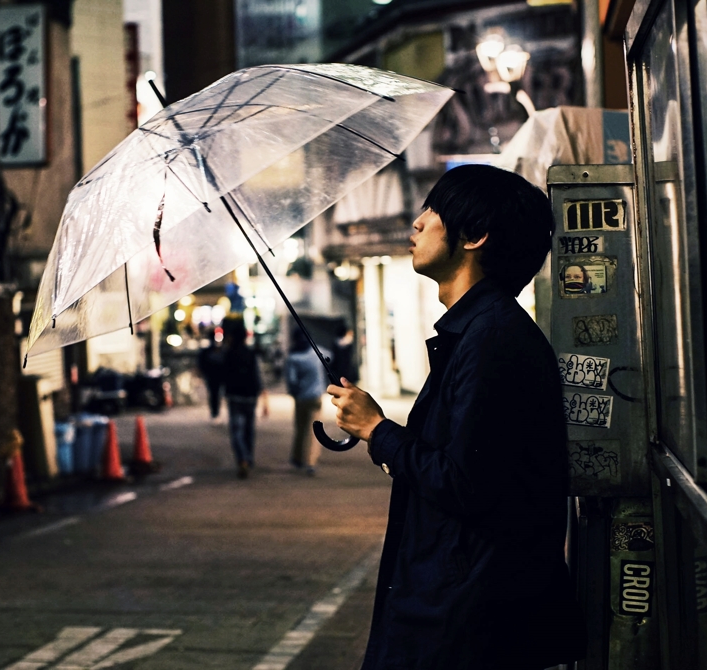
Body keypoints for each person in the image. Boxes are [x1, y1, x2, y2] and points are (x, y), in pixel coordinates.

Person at [327, 164, 586, 669]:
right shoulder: (480, 333)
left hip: (466, 620)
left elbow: (465, 483)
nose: (417, 223)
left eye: (433, 211)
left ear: (475, 235)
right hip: (459, 605)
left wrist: (377, 432)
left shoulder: (493, 340)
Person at [221, 316, 269, 479]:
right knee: (249, 429)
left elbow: (222, 375)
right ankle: (248, 457)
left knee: (236, 430)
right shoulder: (251, 354)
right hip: (250, 396)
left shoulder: (228, 353)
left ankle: (242, 459)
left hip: (234, 396)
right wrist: (264, 397)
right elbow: (258, 376)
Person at [285, 326, 328, 476]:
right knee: (313, 431)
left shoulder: (293, 358)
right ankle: (310, 462)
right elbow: (330, 358)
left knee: (300, 428)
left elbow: (291, 380)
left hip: (301, 398)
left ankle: (297, 457)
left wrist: (295, 391)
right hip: (316, 397)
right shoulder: (317, 353)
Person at [197, 328, 225, 421]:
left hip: (214, 376)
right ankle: (215, 412)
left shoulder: (212, 350)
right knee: (215, 394)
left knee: (214, 394)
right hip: (213, 376)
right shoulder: (213, 350)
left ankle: (215, 412)